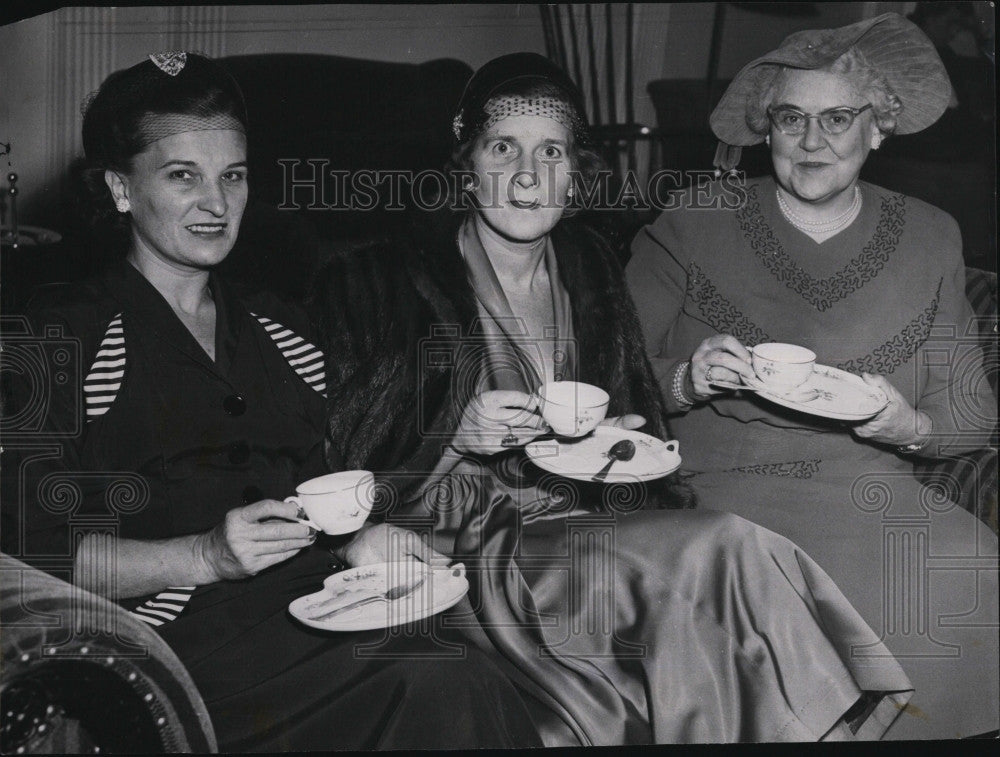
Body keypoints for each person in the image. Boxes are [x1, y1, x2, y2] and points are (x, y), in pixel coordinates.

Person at [311, 52, 917, 744]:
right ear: (467, 162)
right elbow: (351, 476)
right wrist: (454, 437)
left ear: (576, 174)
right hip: (461, 548)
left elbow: (631, 418)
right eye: (503, 148)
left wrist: (622, 442)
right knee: (710, 549)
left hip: (580, 523)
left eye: (552, 153)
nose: (528, 176)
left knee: (730, 554)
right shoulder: (384, 280)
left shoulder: (591, 264)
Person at [1, 52, 542, 752]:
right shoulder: (52, 338)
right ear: (120, 188)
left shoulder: (287, 327)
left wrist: (361, 541)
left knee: (461, 663)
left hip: (319, 607)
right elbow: (32, 554)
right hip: (175, 650)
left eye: (233, 175)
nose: (217, 203)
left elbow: (326, 490)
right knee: (436, 678)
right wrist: (201, 555)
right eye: (182, 176)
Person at [625, 13, 998, 740]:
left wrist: (907, 426)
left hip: (869, 486)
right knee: (784, 609)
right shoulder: (694, 220)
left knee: (978, 570)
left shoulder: (931, 234)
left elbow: (970, 413)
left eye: (838, 117)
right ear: (766, 130)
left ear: (879, 128)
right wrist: (685, 380)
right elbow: (602, 373)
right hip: (719, 496)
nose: (812, 139)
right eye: (791, 118)